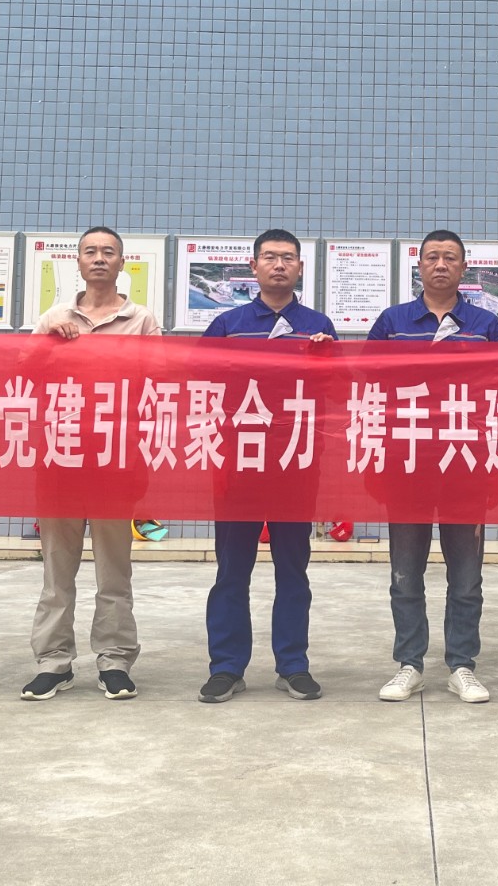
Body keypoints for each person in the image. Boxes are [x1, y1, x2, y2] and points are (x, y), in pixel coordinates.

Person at [196, 229, 336, 704]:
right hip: (238, 464)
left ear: (300, 268)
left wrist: (325, 357)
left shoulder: (318, 325)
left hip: (296, 463)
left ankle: (293, 665)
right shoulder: (228, 324)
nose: (279, 265)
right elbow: (201, 380)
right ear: (253, 267)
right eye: (270, 257)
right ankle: (226, 667)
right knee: (232, 570)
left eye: (288, 258)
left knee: (293, 569)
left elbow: (335, 390)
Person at [367, 230, 498, 704]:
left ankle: (462, 666)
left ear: (464, 268)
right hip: (406, 465)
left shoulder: (485, 325)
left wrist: (496, 468)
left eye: (450, 258)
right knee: (405, 574)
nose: (441, 265)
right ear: (420, 266)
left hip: (467, 466)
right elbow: (370, 386)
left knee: (466, 578)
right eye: (432, 257)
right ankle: (409, 664)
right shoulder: (393, 322)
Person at [21, 226, 160, 702]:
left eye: (108, 252)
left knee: (113, 570)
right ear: (77, 262)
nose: (99, 258)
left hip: (116, 458)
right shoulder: (53, 317)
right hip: (59, 455)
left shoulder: (141, 319)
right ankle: (53, 662)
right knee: (56, 569)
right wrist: (48, 343)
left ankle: (115, 659)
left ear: (122, 263)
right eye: (90, 251)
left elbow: (157, 378)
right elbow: (23, 374)